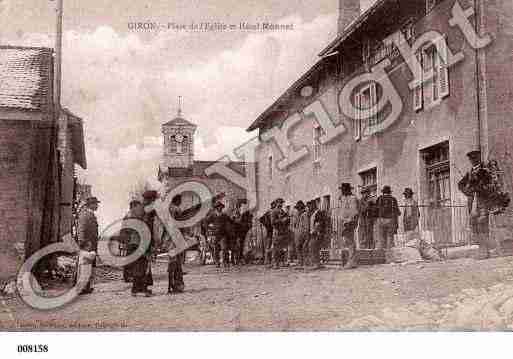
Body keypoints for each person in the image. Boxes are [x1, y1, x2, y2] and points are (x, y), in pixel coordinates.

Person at [458, 149, 493, 259]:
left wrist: (480, 189)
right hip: (472, 203)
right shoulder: (469, 173)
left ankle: (485, 251)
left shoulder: (485, 171)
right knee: (474, 226)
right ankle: (480, 249)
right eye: (471, 159)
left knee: (482, 224)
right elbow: (460, 184)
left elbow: (490, 185)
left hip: (482, 201)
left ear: (479, 158)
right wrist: (468, 192)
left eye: (475, 158)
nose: (473, 160)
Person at [129, 190, 157, 297]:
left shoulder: (138, 209)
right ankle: (141, 289)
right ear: (150, 200)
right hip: (141, 241)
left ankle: (136, 289)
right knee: (143, 265)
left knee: (138, 265)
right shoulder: (146, 210)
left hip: (135, 241)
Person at [77, 196, 100, 295]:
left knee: (89, 266)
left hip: (91, 244)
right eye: (95, 204)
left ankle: (86, 287)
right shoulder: (85, 215)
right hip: (87, 245)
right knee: (85, 266)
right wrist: (82, 242)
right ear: (91, 205)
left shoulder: (90, 214)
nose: (97, 205)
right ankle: (81, 288)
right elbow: (81, 229)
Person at [337, 183, 359, 269]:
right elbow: (342, 210)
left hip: (349, 222)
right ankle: (350, 260)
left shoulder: (352, 198)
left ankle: (352, 261)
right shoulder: (343, 198)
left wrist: (349, 221)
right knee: (346, 240)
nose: (342, 191)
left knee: (349, 240)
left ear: (347, 190)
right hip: (343, 221)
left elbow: (354, 211)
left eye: (343, 190)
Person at [167, 194, 185, 294]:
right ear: (177, 201)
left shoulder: (166, 210)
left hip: (168, 239)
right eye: (180, 200)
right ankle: (176, 285)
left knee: (171, 262)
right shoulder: (177, 210)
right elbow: (182, 224)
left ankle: (170, 286)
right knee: (177, 263)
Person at [205, 201, 232, 269]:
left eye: (221, 207)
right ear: (216, 208)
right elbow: (206, 222)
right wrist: (209, 228)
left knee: (224, 248)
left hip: (223, 234)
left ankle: (225, 262)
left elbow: (230, 220)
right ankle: (217, 262)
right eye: (218, 207)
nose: (220, 208)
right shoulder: (213, 215)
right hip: (215, 234)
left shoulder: (224, 215)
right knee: (216, 249)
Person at [374, 186, 401, 252]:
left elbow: (375, 210)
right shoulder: (393, 199)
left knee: (381, 237)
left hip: (380, 220)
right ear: (389, 192)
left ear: (383, 192)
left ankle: (380, 254)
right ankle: (389, 254)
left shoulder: (379, 198)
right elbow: (397, 212)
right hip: (390, 220)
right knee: (390, 237)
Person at [270, 198, 290, 269]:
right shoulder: (273, 211)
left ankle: (282, 262)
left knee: (282, 247)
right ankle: (275, 263)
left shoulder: (282, 211)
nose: (281, 204)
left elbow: (287, 219)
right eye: (279, 202)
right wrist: (281, 220)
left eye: (282, 203)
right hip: (277, 231)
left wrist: (287, 219)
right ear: (276, 203)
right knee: (276, 248)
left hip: (283, 231)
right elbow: (272, 222)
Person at [292, 200, 309, 269]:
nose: (298, 210)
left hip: (303, 233)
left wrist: (306, 234)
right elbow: (295, 225)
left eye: (300, 208)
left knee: (303, 248)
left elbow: (306, 225)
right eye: (298, 208)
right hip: (298, 234)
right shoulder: (297, 215)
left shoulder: (304, 215)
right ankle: (300, 263)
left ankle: (304, 263)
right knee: (298, 248)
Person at [259, 200, 276, 265]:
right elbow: (261, 219)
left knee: (271, 245)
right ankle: (267, 260)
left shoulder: (272, 211)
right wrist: (267, 225)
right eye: (274, 205)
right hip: (270, 231)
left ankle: (269, 260)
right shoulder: (269, 212)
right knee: (269, 245)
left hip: (271, 230)